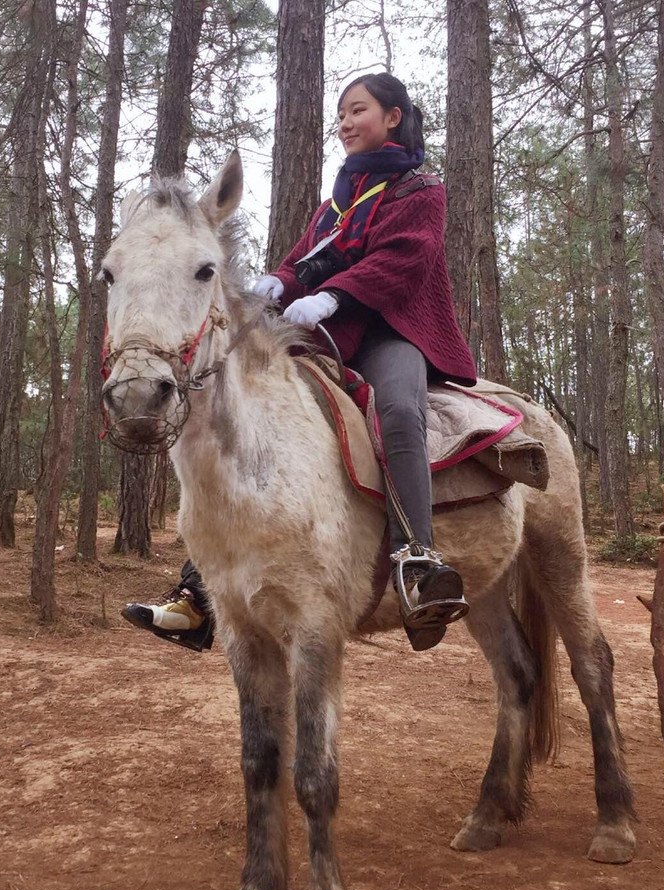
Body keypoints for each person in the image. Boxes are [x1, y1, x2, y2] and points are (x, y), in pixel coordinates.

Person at [123, 72, 477, 653]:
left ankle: (417, 560)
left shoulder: (421, 192)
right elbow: (301, 262)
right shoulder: (336, 202)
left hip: (392, 328)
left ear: (392, 116)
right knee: (246, 407)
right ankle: (198, 591)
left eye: (356, 110)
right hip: (330, 333)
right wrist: (277, 284)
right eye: (340, 114)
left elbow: (404, 260)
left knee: (396, 410)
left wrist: (335, 295)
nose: (344, 122)